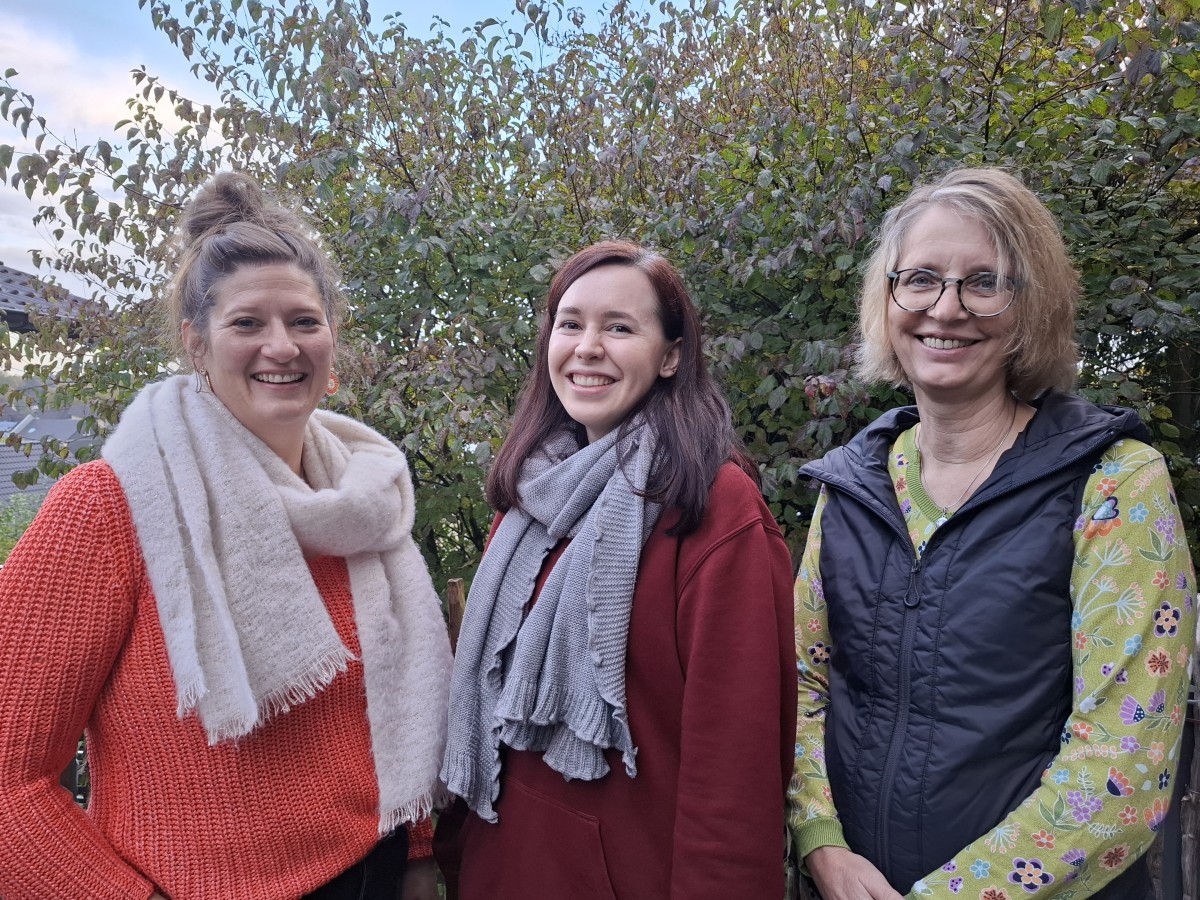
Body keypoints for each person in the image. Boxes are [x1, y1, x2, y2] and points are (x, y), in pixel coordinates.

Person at [0, 172, 454, 900]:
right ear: (196, 344)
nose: (282, 346)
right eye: (247, 323)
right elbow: (8, 784)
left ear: (332, 342)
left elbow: (395, 699)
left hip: (378, 872)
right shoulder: (110, 508)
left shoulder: (365, 498)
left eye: (305, 321)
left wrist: (420, 849)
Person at [787, 167, 1197, 899]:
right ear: (887, 298)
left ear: (1031, 306)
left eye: (985, 282)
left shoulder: (1113, 485)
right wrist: (822, 844)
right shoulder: (854, 486)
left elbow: (1124, 764)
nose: (946, 308)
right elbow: (802, 684)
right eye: (920, 279)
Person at [435, 240, 797, 898]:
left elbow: (735, 776)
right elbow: (485, 720)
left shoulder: (716, 510)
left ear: (671, 355)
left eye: (619, 327)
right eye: (570, 324)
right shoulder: (528, 504)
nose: (588, 346)